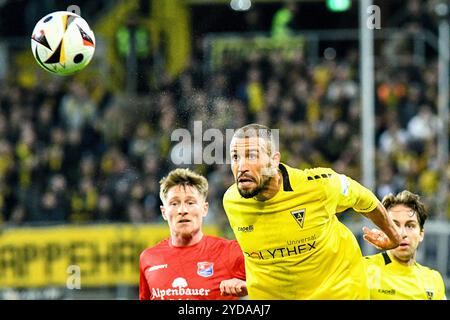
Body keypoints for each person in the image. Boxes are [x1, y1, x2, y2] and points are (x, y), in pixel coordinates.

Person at [222, 123, 401, 299]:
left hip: (339, 292)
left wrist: (393, 236)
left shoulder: (318, 186)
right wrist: (250, 285)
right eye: (235, 157)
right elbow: (272, 256)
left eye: (251, 156)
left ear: (274, 160)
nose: (241, 166)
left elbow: (364, 198)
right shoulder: (231, 202)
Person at [139, 168, 247, 300]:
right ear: (163, 212)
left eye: (190, 203)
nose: (182, 210)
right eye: (174, 203)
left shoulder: (231, 252)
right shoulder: (148, 258)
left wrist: (247, 286)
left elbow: (274, 282)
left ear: (204, 209)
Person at [364, 190, 447, 300]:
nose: (402, 234)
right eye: (394, 225)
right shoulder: (364, 269)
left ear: (421, 234)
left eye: (410, 226)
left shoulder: (433, 280)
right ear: (384, 231)